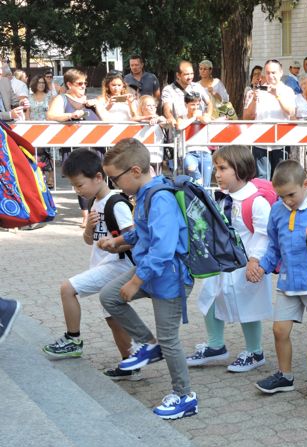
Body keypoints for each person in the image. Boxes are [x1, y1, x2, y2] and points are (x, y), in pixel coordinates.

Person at [98, 138, 196, 420]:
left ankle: (185, 396)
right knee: (109, 297)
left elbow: (164, 249)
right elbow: (144, 232)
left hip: (169, 278)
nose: (114, 184)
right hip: (152, 271)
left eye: (115, 178)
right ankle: (148, 345)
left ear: (136, 171)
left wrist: (136, 282)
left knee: (169, 338)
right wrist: (118, 240)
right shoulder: (143, 194)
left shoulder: (159, 197)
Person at [41, 149, 138, 378]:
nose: (77, 191)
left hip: (117, 266)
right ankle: (131, 365)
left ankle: (73, 339)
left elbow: (135, 240)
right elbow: (88, 241)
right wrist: (89, 228)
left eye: (79, 185)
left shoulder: (116, 204)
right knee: (113, 319)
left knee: (68, 288)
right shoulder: (95, 202)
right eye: (74, 186)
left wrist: (113, 244)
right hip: (103, 264)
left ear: (98, 177)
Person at [251, 160, 307, 395]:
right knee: (279, 330)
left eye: (291, 194)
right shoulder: (278, 210)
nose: (287, 201)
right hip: (288, 281)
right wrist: (263, 267)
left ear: (306, 184)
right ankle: (285, 376)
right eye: (281, 196)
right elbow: (274, 247)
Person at [188, 146, 272, 371]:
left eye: (223, 168)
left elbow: (264, 234)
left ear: (240, 169)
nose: (217, 173)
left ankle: (255, 352)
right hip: (222, 263)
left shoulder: (256, 201)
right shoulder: (222, 198)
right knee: (210, 297)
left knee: (248, 307)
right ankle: (216, 345)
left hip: (246, 265)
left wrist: (255, 260)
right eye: (216, 168)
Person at [47, 68, 105, 228]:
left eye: (85, 83)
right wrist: (70, 116)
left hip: (96, 147)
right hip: (76, 149)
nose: (83, 86)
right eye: (79, 83)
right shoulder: (62, 99)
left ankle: (97, 212)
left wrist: (98, 106)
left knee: (96, 179)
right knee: (82, 180)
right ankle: (86, 216)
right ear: (69, 84)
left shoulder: (92, 100)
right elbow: (51, 115)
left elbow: (108, 120)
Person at [243, 59, 296, 179]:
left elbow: (291, 112)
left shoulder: (287, 91)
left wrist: (277, 95)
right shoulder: (256, 91)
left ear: (281, 72)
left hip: (281, 142)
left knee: (281, 178)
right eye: (267, 73)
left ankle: (279, 198)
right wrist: (254, 100)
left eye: (273, 72)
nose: (270, 76)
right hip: (260, 143)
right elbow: (247, 117)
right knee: (262, 178)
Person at [161, 60, 213, 129]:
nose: (190, 77)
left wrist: (208, 115)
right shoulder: (169, 89)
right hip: (179, 132)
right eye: (186, 74)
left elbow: (209, 103)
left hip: (199, 130)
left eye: (192, 73)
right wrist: (170, 117)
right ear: (178, 75)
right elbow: (166, 108)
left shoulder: (197, 86)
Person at [176, 91, 213, 186]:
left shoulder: (202, 115)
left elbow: (207, 120)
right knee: (191, 167)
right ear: (186, 104)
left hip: (205, 152)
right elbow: (180, 126)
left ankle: (207, 198)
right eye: (192, 104)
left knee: (206, 185)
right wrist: (193, 118)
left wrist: (199, 116)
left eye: (197, 104)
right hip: (189, 152)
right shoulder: (182, 117)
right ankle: (198, 180)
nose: (196, 107)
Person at [27, 74, 54, 186]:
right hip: (33, 129)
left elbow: (52, 112)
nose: (41, 85)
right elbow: (27, 114)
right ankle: (37, 178)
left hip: (47, 128)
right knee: (35, 154)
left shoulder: (50, 97)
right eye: (39, 82)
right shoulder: (29, 98)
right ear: (34, 84)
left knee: (49, 154)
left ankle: (50, 179)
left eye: (43, 83)